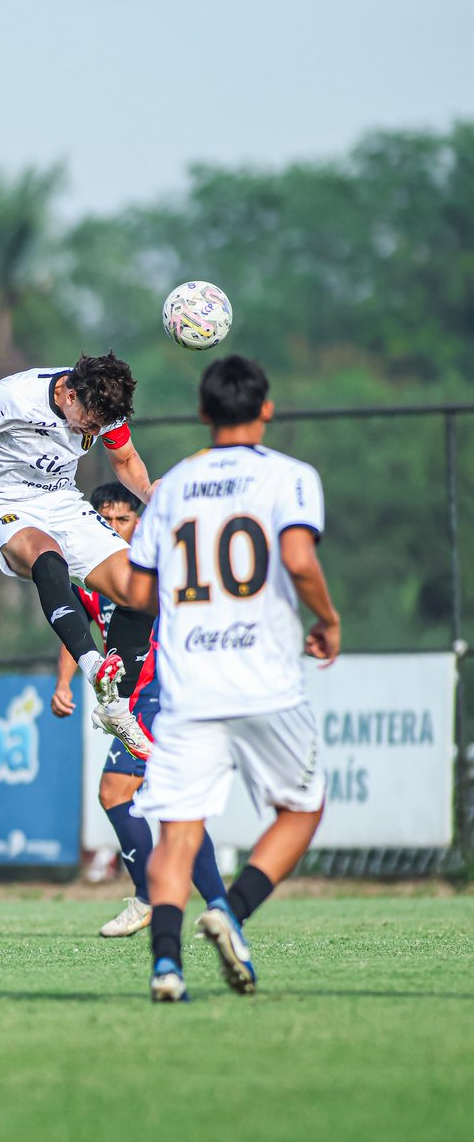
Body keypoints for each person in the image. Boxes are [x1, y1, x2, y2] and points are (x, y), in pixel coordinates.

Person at [125, 354, 341, 1002]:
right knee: (302, 807)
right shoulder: (292, 477)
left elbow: (139, 590)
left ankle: (166, 967)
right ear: (266, 409)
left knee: (179, 830)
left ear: (202, 413)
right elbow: (299, 559)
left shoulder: (175, 486)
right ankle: (232, 911)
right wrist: (326, 617)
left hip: (190, 684)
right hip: (266, 680)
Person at [0, 354, 155, 760]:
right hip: (2, 502)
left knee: (142, 591)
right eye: (88, 423)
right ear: (69, 393)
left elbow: (125, 460)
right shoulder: (17, 396)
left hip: (62, 503)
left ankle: (115, 706)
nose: (93, 431)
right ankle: (91, 665)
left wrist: (149, 493)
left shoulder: (106, 407)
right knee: (48, 556)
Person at [52, 481, 228, 938]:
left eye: (122, 519)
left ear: (140, 522)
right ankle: (219, 904)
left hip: (160, 694)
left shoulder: (151, 569)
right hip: (134, 700)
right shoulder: (90, 579)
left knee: (116, 793)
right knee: (174, 801)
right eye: (103, 520)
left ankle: (151, 897)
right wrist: (63, 683)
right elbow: (78, 633)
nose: (112, 527)